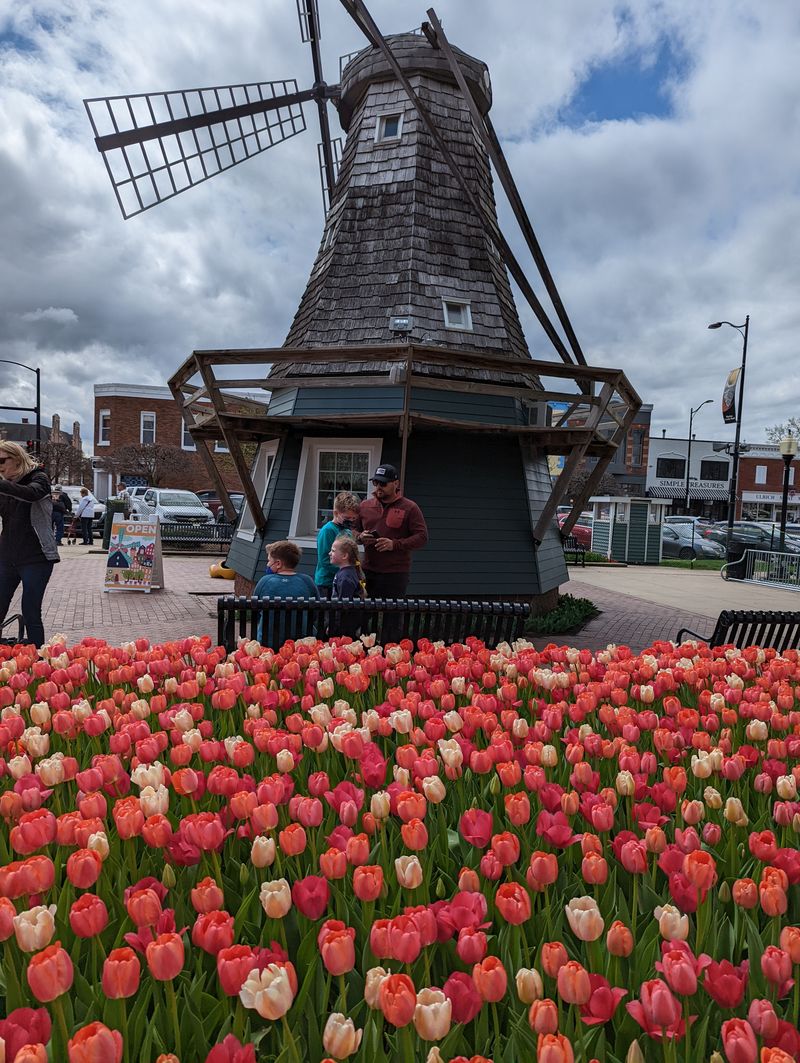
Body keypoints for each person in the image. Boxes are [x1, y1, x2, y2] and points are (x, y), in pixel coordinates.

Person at [357, 463, 428, 644]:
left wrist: (394, 544)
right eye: (376, 483)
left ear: (395, 484)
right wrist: (360, 536)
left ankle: (391, 655)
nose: (378, 487)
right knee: (365, 614)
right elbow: (352, 530)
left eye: (383, 483)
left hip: (395, 573)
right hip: (369, 570)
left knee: (392, 617)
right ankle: (364, 655)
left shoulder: (410, 507)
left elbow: (422, 537)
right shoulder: (365, 506)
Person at [0, 441, 59, 647]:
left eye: (1, 460)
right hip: (7, 556)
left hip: (36, 557)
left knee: (31, 609)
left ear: (16, 458)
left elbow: (31, 494)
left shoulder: (38, 478)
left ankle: (36, 660)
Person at [252, 540, 319, 646]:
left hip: (268, 643)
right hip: (302, 645)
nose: (268, 564)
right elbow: (315, 613)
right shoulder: (307, 582)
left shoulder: (265, 581)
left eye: (269, 561)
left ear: (278, 564)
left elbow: (254, 610)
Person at [314, 491, 361, 596]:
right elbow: (325, 560)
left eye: (353, 518)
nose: (351, 521)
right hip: (327, 583)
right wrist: (346, 570)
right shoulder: (328, 530)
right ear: (336, 513)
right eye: (347, 518)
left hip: (345, 580)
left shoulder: (347, 531)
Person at [328, 534, 366, 638]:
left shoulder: (346, 578)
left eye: (333, 551)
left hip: (344, 627)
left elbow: (344, 606)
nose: (329, 553)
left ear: (345, 556)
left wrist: (334, 626)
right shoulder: (346, 573)